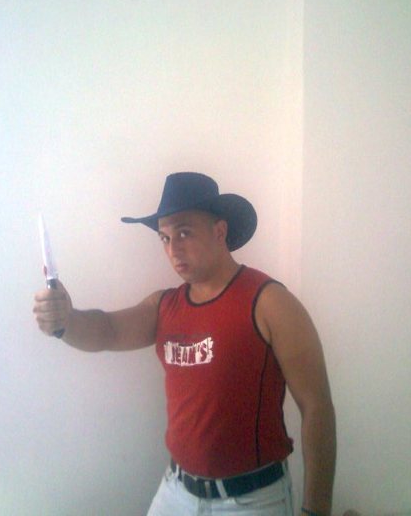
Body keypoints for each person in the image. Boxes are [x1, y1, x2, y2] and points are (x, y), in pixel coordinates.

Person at [33, 172, 336, 516]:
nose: (172, 249)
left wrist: (317, 509)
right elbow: (108, 330)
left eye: (184, 233)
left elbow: (317, 407)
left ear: (219, 231)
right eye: (164, 238)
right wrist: (65, 321)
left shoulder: (268, 302)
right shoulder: (165, 306)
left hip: (252, 500)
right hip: (176, 492)